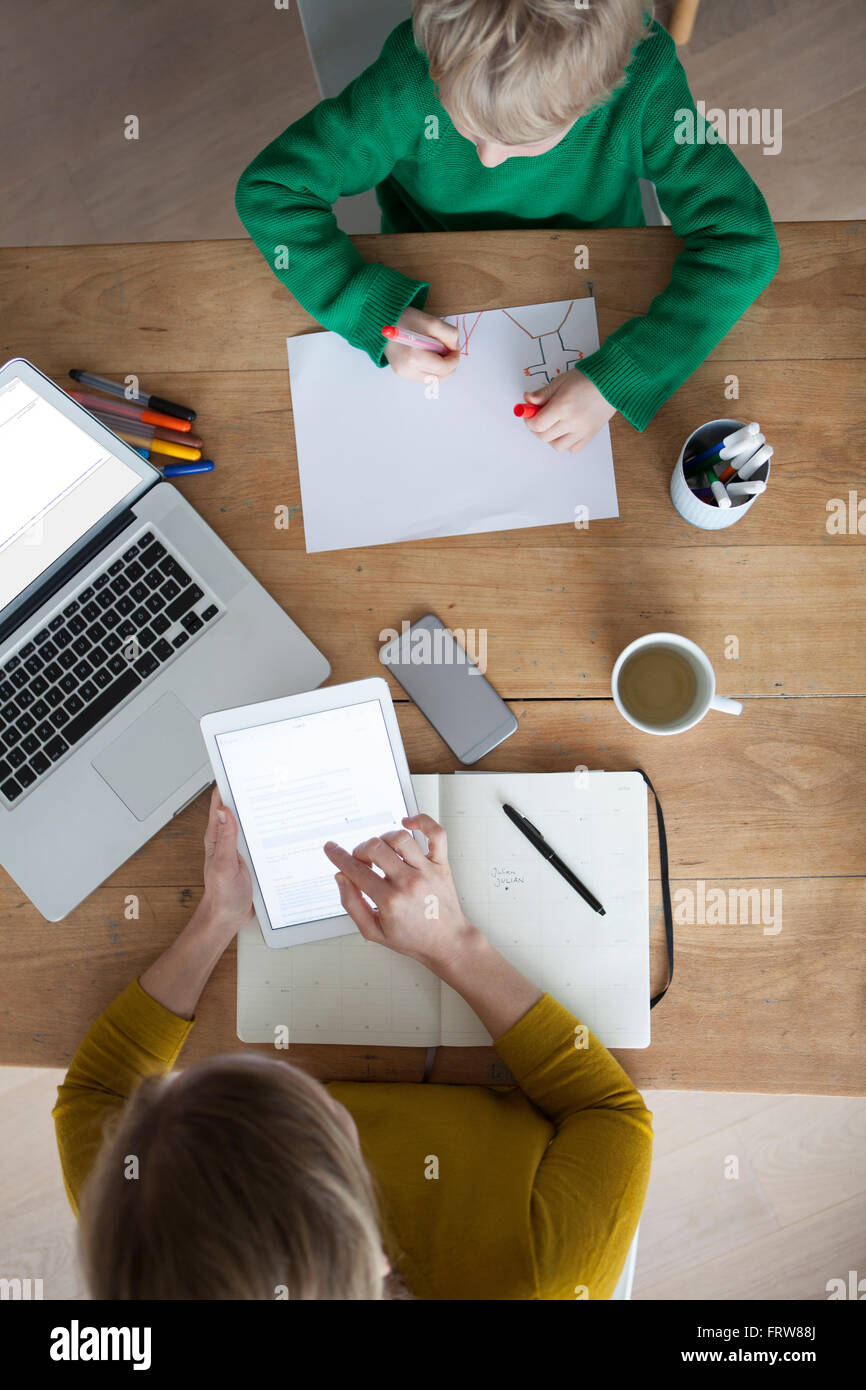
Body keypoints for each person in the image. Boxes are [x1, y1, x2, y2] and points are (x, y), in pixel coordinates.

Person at [53, 788, 652, 1299]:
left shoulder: (154, 1229)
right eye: (317, 1114)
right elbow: (610, 1114)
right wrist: (454, 946)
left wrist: (217, 915)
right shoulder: (542, 1282)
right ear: (371, 1245)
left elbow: (96, 1093)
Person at [235, 0, 779, 457]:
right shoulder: (410, 78)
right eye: (465, 128)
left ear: (598, 94)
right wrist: (370, 311)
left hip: (600, 265)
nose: (491, 160)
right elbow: (273, 191)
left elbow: (743, 245)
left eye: (520, 139)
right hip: (432, 257)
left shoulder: (642, 84)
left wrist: (618, 380)